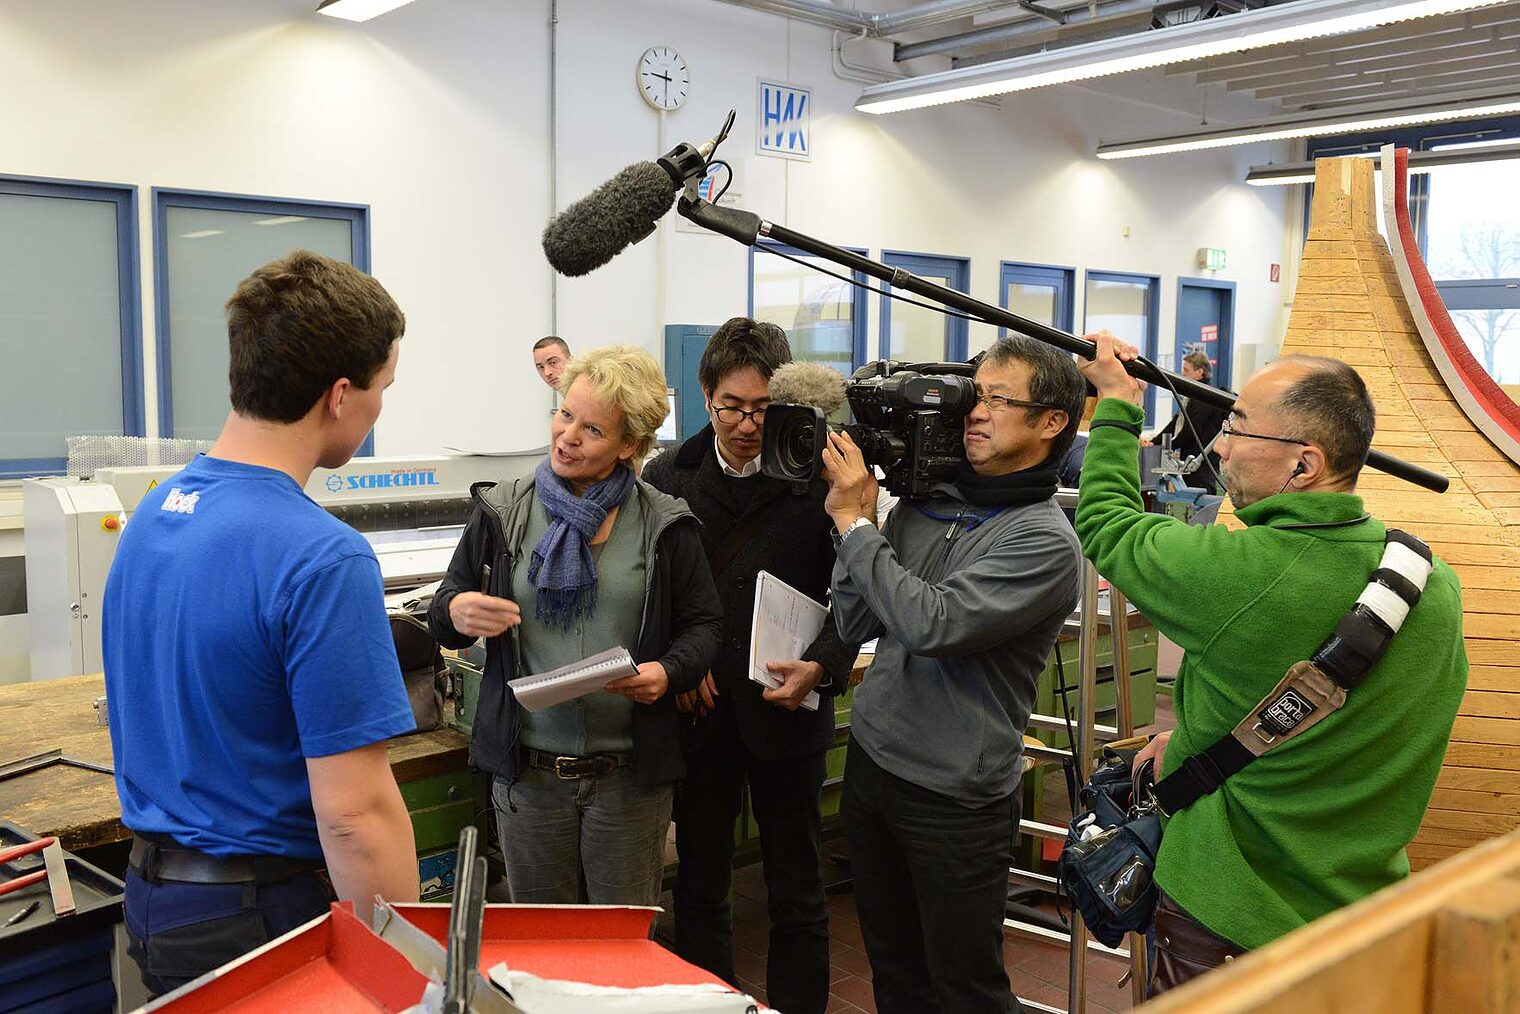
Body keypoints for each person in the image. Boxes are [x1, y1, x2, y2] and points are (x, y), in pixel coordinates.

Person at [1074, 333, 1467, 994]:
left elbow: (1109, 523)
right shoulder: (1432, 581)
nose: (1220, 445)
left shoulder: (1243, 575)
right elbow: (1348, 724)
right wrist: (1201, 734)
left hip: (1230, 921)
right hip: (1359, 919)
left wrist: (1115, 404)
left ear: (1303, 466)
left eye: (1238, 428)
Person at [103, 250, 420, 996]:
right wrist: (409, 970)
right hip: (259, 915)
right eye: (383, 389)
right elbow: (355, 816)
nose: (380, 408)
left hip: (156, 900)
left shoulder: (154, 512)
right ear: (339, 395)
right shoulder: (321, 555)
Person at [824, 335, 1087, 1014]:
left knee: (965, 985)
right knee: (895, 968)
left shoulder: (1041, 540)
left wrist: (859, 529)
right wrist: (855, 526)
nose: (974, 413)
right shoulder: (929, 502)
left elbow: (933, 626)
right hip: (875, 765)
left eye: (998, 400)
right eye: (975, 395)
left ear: (1052, 422)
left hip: (954, 795)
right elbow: (857, 622)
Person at [428, 344, 721, 906]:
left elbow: (705, 625)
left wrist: (668, 671)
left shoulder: (664, 523)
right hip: (529, 775)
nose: (567, 437)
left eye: (592, 429)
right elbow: (445, 609)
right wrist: (458, 612)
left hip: (629, 781)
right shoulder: (503, 510)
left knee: (622, 948)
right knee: (543, 947)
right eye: (565, 415)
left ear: (629, 445)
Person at [643, 318, 857, 1014]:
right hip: (698, 717)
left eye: (762, 409)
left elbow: (857, 594)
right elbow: (647, 592)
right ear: (704, 397)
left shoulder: (819, 477)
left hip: (786, 713)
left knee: (797, 887)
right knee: (701, 887)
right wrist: (679, 660)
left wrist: (823, 668)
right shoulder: (667, 476)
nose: (744, 424)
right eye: (730, 407)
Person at [1155, 350, 1228, 490]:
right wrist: (1156, 441)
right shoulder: (1193, 394)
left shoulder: (1205, 396)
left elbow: (1190, 429)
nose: (1183, 374)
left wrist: (1170, 445)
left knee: (1201, 491)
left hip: (1202, 459)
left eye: (1186, 370)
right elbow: (1177, 421)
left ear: (1200, 371)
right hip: (1191, 455)